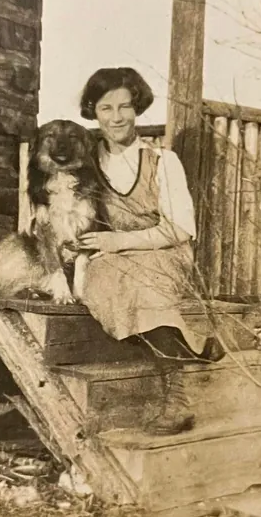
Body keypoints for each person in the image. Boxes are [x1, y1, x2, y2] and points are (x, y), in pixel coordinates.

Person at [77, 67, 224, 436]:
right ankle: (197, 348)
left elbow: (180, 229)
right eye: (106, 108)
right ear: (93, 111)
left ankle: (177, 402)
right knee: (105, 278)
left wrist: (121, 242)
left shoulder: (162, 160)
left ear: (137, 108)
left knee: (143, 284)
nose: (116, 118)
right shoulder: (87, 164)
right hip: (112, 260)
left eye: (124, 107)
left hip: (165, 252)